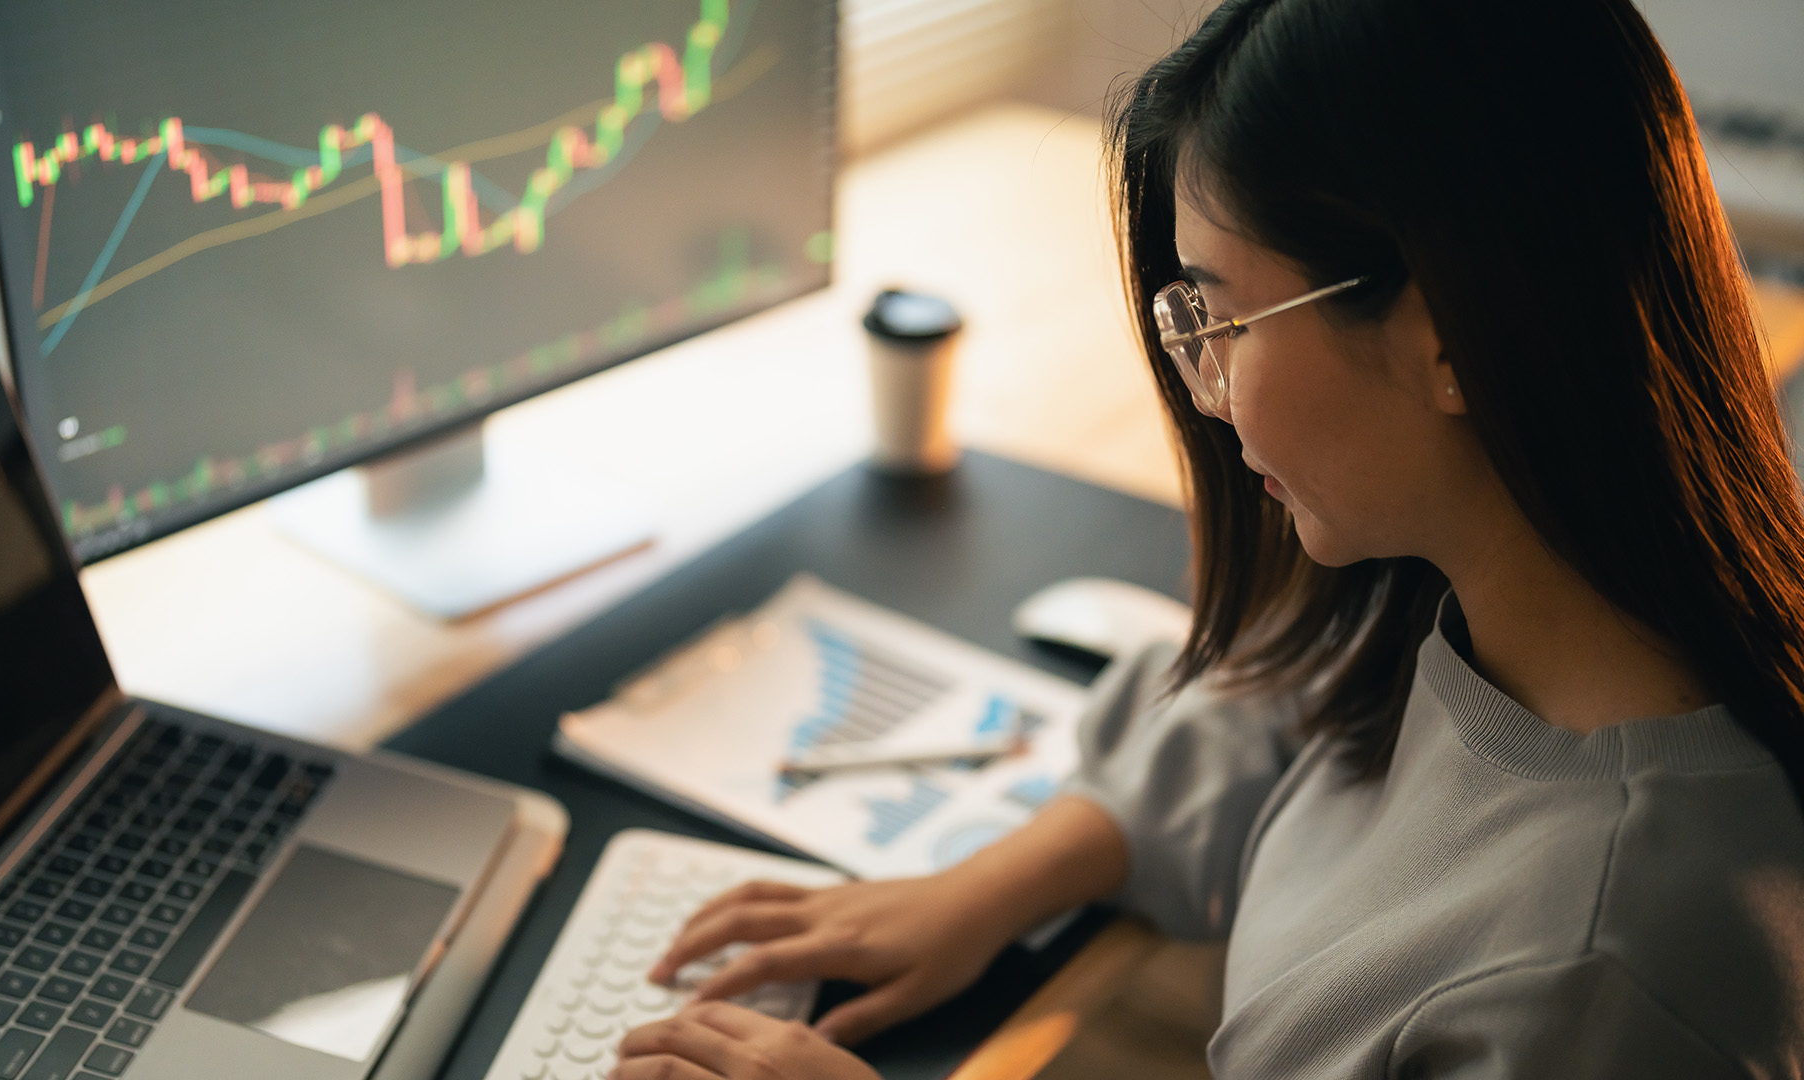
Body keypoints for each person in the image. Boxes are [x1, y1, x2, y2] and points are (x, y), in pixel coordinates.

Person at [609, 0, 1804, 1075]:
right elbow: (1291, 698)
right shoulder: (1492, 603)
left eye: (1222, 315)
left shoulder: (1599, 985)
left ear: (1445, 339)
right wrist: (988, 888)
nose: (1206, 389)